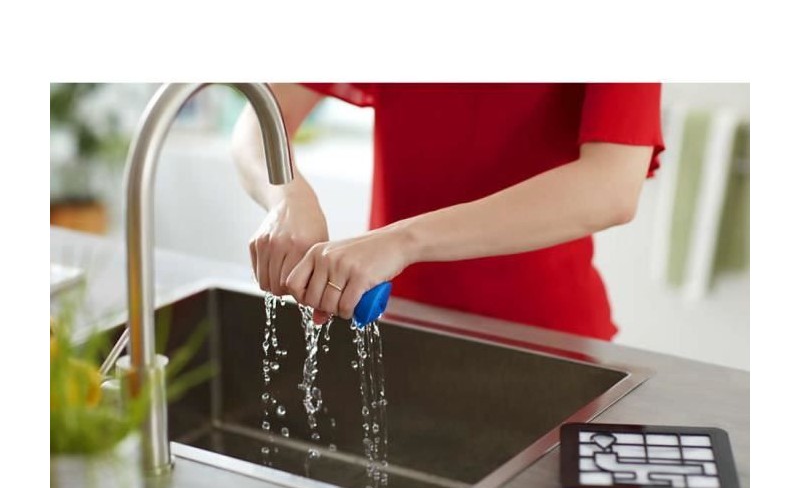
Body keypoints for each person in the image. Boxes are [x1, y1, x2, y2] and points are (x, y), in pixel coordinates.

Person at [232, 83, 663, 341]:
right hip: (398, 329)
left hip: (546, 343)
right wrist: (288, 197)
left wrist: (403, 241)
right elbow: (263, 114)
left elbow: (612, 187)